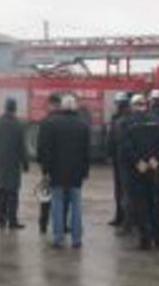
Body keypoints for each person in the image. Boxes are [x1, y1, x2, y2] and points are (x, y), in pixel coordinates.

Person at [39, 94, 90, 249]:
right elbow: (86, 152)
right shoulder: (83, 125)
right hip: (76, 174)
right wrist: (85, 171)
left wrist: (46, 170)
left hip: (56, 172)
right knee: (76, 205)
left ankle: (58, 238)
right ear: (75, 107)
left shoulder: (51, 124)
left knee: (57, 205)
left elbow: (47, 150)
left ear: (62, 107)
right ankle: (76, 240)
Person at [121, 94, 159, 250]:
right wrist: (156, 159)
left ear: (133, 106)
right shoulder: (158, 122)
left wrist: (137, 162)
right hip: (154, 169)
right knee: (156, 203)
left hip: (137, 171)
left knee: (141, 206)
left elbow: (125, 147)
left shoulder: (127, 122)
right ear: (146, 105)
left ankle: (145, 240)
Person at [0, 99, 29, 230]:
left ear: (5, 108)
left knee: (0, 193)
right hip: (13, 164)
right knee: (13, 194)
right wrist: (25, 163)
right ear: (14, 109)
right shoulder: (18, 125)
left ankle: (1, 220)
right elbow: (21, 147)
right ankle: (12, 221)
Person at [37, 93, 62, 234]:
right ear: (59, 105)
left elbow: (41, 148)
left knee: (46, 197)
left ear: (50, 105)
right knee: (60, 197)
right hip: (61, 167)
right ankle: (60, 225)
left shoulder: (45, 122)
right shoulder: (64, 121)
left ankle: (43, 225)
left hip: (47, 167)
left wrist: (43, 168)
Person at [107, 92, 131, 228]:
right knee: (124, 190)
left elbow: (112, 140)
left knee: (122, 191)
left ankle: (123, 219)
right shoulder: (129, 118)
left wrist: (110, 154)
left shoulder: (118, 120)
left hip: (120, 160)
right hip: (125, 160)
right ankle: (122, 217)